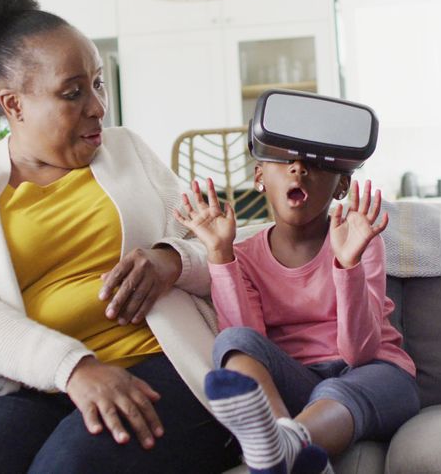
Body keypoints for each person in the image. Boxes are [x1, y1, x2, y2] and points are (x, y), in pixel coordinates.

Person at [0, 0, 239, 474]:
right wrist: (72, 367)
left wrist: (170, 260)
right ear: (14, 105)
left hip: (157, 362)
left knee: (69, 467)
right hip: (27, 384)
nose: (98, 107)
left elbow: (216, 252)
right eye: (73, 92)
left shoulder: (128, 154)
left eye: (98, 84)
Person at [174, 158, 420, 474]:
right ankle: (285, 446)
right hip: (296, 385)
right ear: (259, 177)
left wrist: (348, 265)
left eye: (314, 163)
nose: (298, 169)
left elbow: (362, 352)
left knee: (348, 388)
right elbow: (249, 345)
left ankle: (286, 446)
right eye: (283, 160)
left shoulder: (359, 240)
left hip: (374, 374)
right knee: (232, 341)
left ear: (341, 186)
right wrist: (221, 255)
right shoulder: (246, 256)